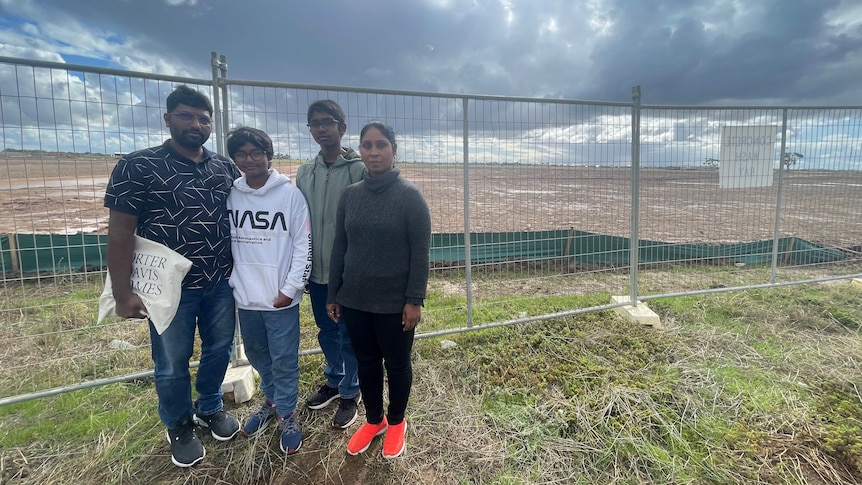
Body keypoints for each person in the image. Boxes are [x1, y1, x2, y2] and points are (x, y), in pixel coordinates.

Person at [104, 85, 241, 468]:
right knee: (171, 361)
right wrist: (121, 293)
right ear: (168, 119)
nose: (196, 124)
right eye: (186, 116)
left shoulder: (223, 167)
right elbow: (119, 233)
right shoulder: (138, 165)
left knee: (218, 350)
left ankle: (209, 407)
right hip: (167, 289)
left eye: (203, 119)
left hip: (218, 283)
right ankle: (179, 424)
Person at [326, 121, 431, 459]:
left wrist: (414, 300)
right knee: (367, 363)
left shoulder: (410, 197)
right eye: (367, 145)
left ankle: (397, 422)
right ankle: (374, 421)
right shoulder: (351, 195)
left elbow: (420, 254)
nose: (373, 152)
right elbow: (340, 245)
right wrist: (333, 293)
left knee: (397, 365)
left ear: (394, 150)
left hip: (394, 303)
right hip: (355, 300)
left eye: (381, 145)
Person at [224, 126, 312, 454]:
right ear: (235, 159)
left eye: (256, 153)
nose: (250, 160)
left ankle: (288, 414)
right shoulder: (232, 194)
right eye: (242, 154)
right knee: (258, 354)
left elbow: (304, 245)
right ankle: (273, 401)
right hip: (246, 297)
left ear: (268, 155)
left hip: (280, 299)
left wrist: (291, 288)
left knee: (284, 358)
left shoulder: (289, 195)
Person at [295, 100, 367, 428]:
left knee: (349, 333)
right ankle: (334, 380)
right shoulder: (304, 172)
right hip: (316, 270)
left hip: (349, 272)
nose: (321, 129)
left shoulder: (358, 170)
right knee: (326, 330)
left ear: (342, 127)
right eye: (314, 123)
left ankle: (352, 391)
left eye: (328, 122)